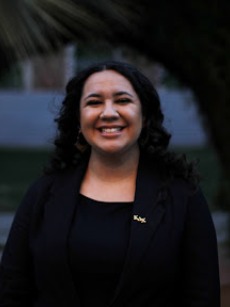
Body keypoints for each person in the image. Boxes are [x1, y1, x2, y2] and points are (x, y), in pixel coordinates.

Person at [0, 60, 220, 307]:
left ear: (145, 116)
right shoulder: (43, 194)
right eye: (94, 102)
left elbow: (202, 297)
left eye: (122, 100)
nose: (108, 112)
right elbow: (12, 290)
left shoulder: (183, 198)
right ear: (78, 120)